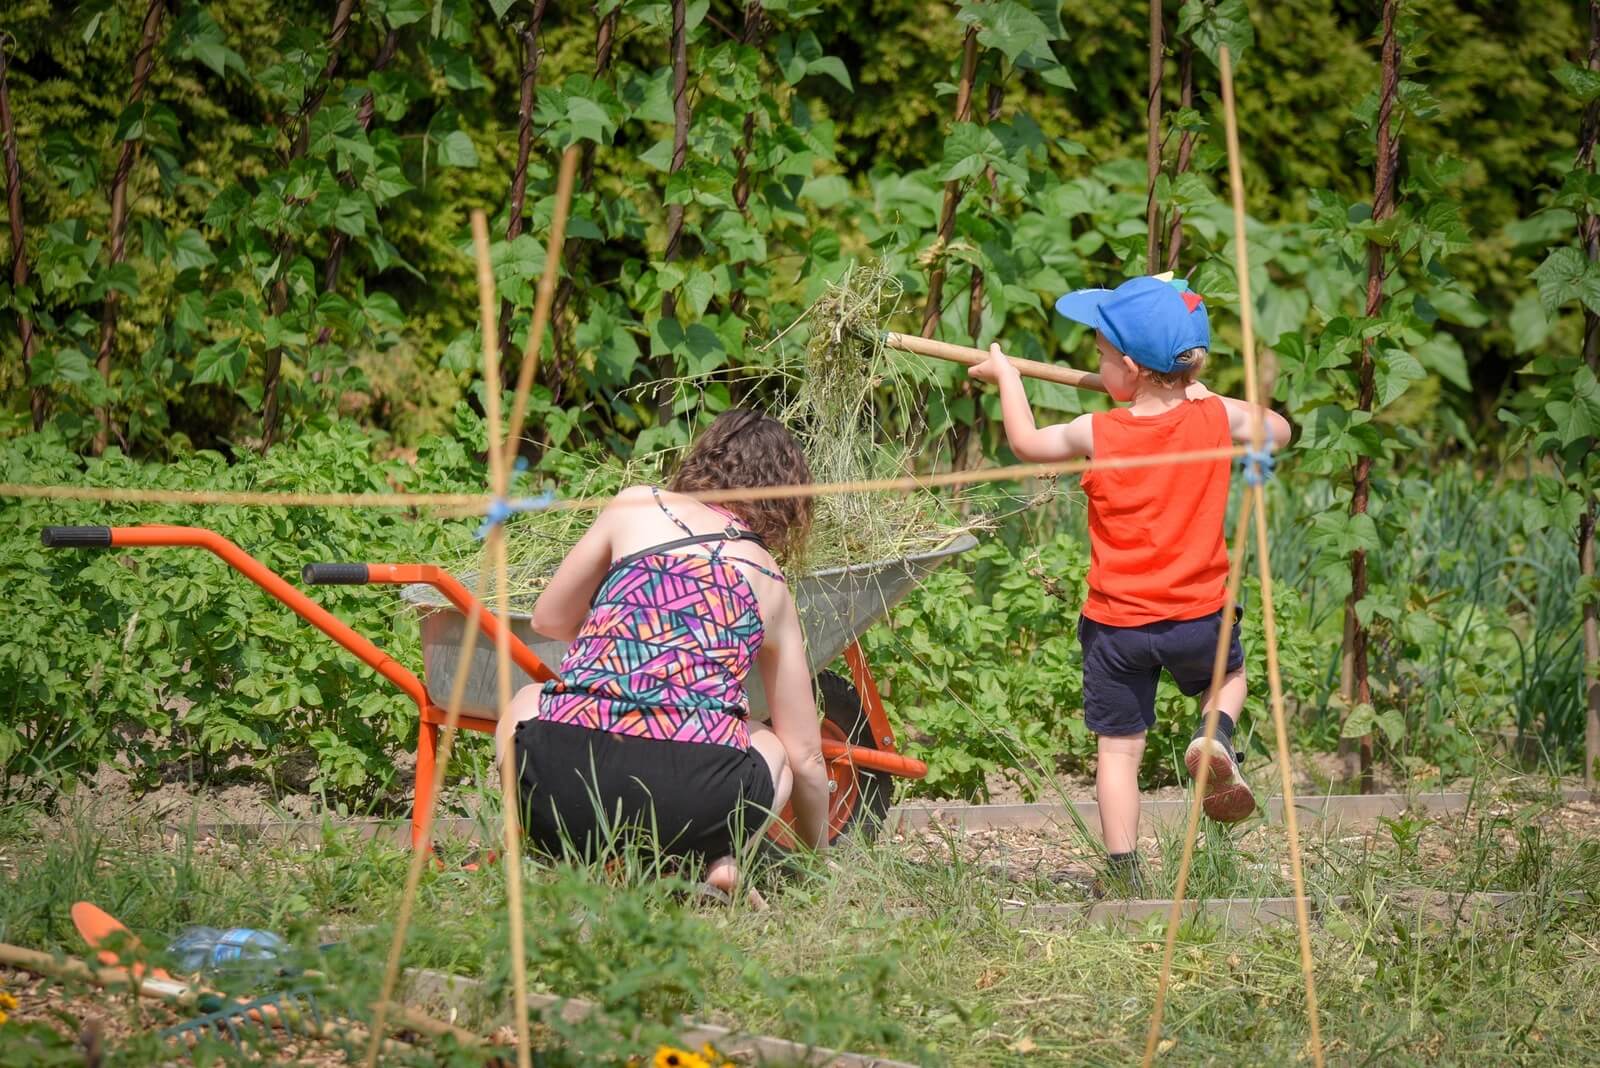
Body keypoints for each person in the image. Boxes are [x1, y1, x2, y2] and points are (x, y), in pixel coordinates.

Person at [968, 274, 1291, 891]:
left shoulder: (1099, 431)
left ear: (1133, 370)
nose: (1095, 363)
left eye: (1100, 356)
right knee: (1229, 678)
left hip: (1117, 626)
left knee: (1118, 754)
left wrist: (1008, 376)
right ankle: (1214, 734)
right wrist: (1201, 395)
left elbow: (1026, 442)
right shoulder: (1215, 418)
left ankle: (1125, 875)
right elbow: (1276, 429)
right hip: (1198, 616)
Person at [497, 409, 830, 896]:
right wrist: (816, 861)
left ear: (707, 458)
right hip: (693, 799)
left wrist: (624, 654)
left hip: (565, 780)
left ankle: (524, 850)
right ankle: (722, 855)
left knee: (527, 701)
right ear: (785, 500)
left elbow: (548, 620)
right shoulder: (769, 578)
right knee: (773, 743)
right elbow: (806, 754)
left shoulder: (637, 505)